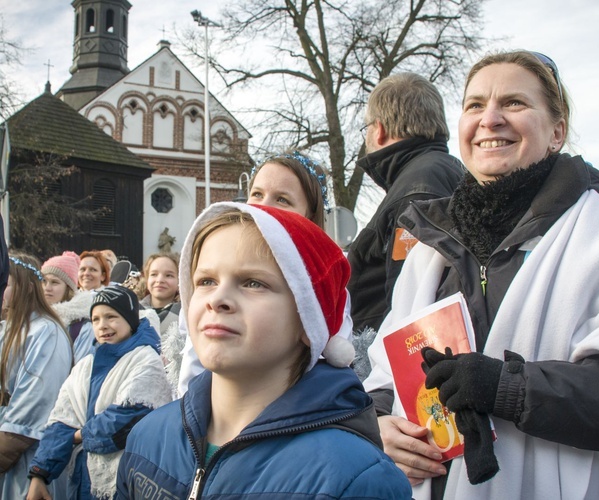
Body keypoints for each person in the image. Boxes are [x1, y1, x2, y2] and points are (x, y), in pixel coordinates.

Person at [363, 51, 599, 499]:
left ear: (557, 131)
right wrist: (381, 424)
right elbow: (386, 376)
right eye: (475, 105)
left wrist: (511, 389)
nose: (491, 119)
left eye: (515, 104)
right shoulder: (431, 247)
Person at [116, 203, 411, 498]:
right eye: (206, 281)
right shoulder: (148, 436)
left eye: (253, 283)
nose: (217, 299)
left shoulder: (357, 478)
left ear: (309, 323)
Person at [176, 152, 352, 395]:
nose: (263, 207)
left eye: (282, 199)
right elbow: (194, 358)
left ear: (310, 217)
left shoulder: (323, 281)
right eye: (257, 194)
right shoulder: (220, 258)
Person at [348, 73, 464, 341]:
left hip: (388, 363)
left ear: (380, 129)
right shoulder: (444, 172)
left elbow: (407, 300)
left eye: (366, 127)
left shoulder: (416, 191)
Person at [27, 285, 172, 500]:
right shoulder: (87, 364)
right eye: (95, 319)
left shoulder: (146, 360)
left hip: (126, 479)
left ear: (130, 320)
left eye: (111, 317)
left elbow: (129, 417)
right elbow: (60, 420)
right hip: (82, 478)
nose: (102, 325)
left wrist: (78, 435)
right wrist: (40, 473)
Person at [0, 254, 72, 499]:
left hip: (24, 458)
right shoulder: (7, 327)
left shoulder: (45, 333)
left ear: (27, 287)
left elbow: (34, 403)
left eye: (5, 282)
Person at [42, 251, 96, 363]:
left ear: (69, 288)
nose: (47, 288)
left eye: (55, 282)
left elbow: (82, 371)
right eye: (43, 281)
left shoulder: (82, 327)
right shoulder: (32, 316)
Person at [139, 252, 180, 335]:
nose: (160, 280)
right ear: (147, 279)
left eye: (168, 275)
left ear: (179, 281)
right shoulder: (134, 311)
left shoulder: (184, 315)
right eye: (154, 274)